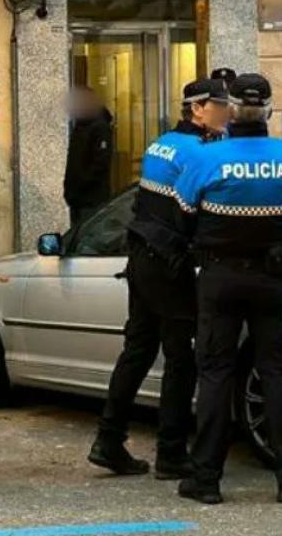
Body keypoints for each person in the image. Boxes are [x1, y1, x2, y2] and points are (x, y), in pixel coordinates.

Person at [173, 74, 282, 505]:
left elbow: (182, 219)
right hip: (272, 278)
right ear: (270, 111)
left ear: (231, 110)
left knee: (215, 373)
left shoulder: (207, 157)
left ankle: (206, 479)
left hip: (219, 276)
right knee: (276, 372)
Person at [88, 78, 230, 480]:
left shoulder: (161, 143)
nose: (225, 114)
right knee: (180, 359)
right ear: (197, 108)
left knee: (137, 350)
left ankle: (108, 440)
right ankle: (171, 452)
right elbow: (199, 212)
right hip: (171, 263)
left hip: (143, 258)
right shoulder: (201, 152)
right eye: (218, 107)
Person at [64, 86, 113, 227]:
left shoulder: (100, 127)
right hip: (76, 198)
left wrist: (82, 184)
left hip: (91, 198)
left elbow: (100, 163)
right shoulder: (79, 127)